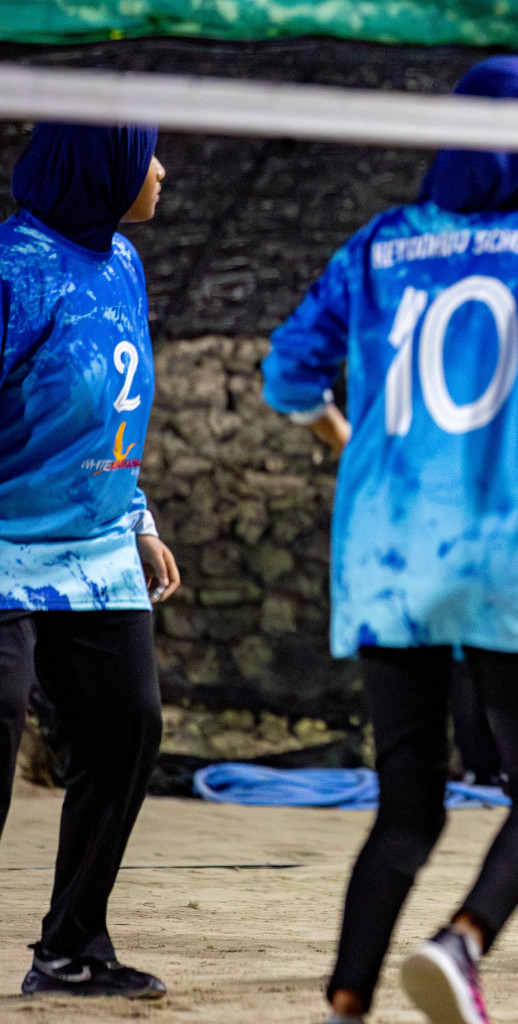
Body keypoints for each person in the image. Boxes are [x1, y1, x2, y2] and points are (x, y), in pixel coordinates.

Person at [261, 57, 518, 1024]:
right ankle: (461, 944)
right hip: (506, 545)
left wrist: (342, 434)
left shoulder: (378, 243)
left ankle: (346, 1000)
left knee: (405, 805)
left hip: (386, 553)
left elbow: (286, 372)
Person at [0, 122, 176, 1001]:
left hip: (97, 550)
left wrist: (136, 516)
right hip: (2, 548)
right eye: (147, 153)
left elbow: (115, 409)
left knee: (126, 727)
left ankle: (71, 948)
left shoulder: (123, 265)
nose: (161, 171)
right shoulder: (12, 271)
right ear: (98, 164)